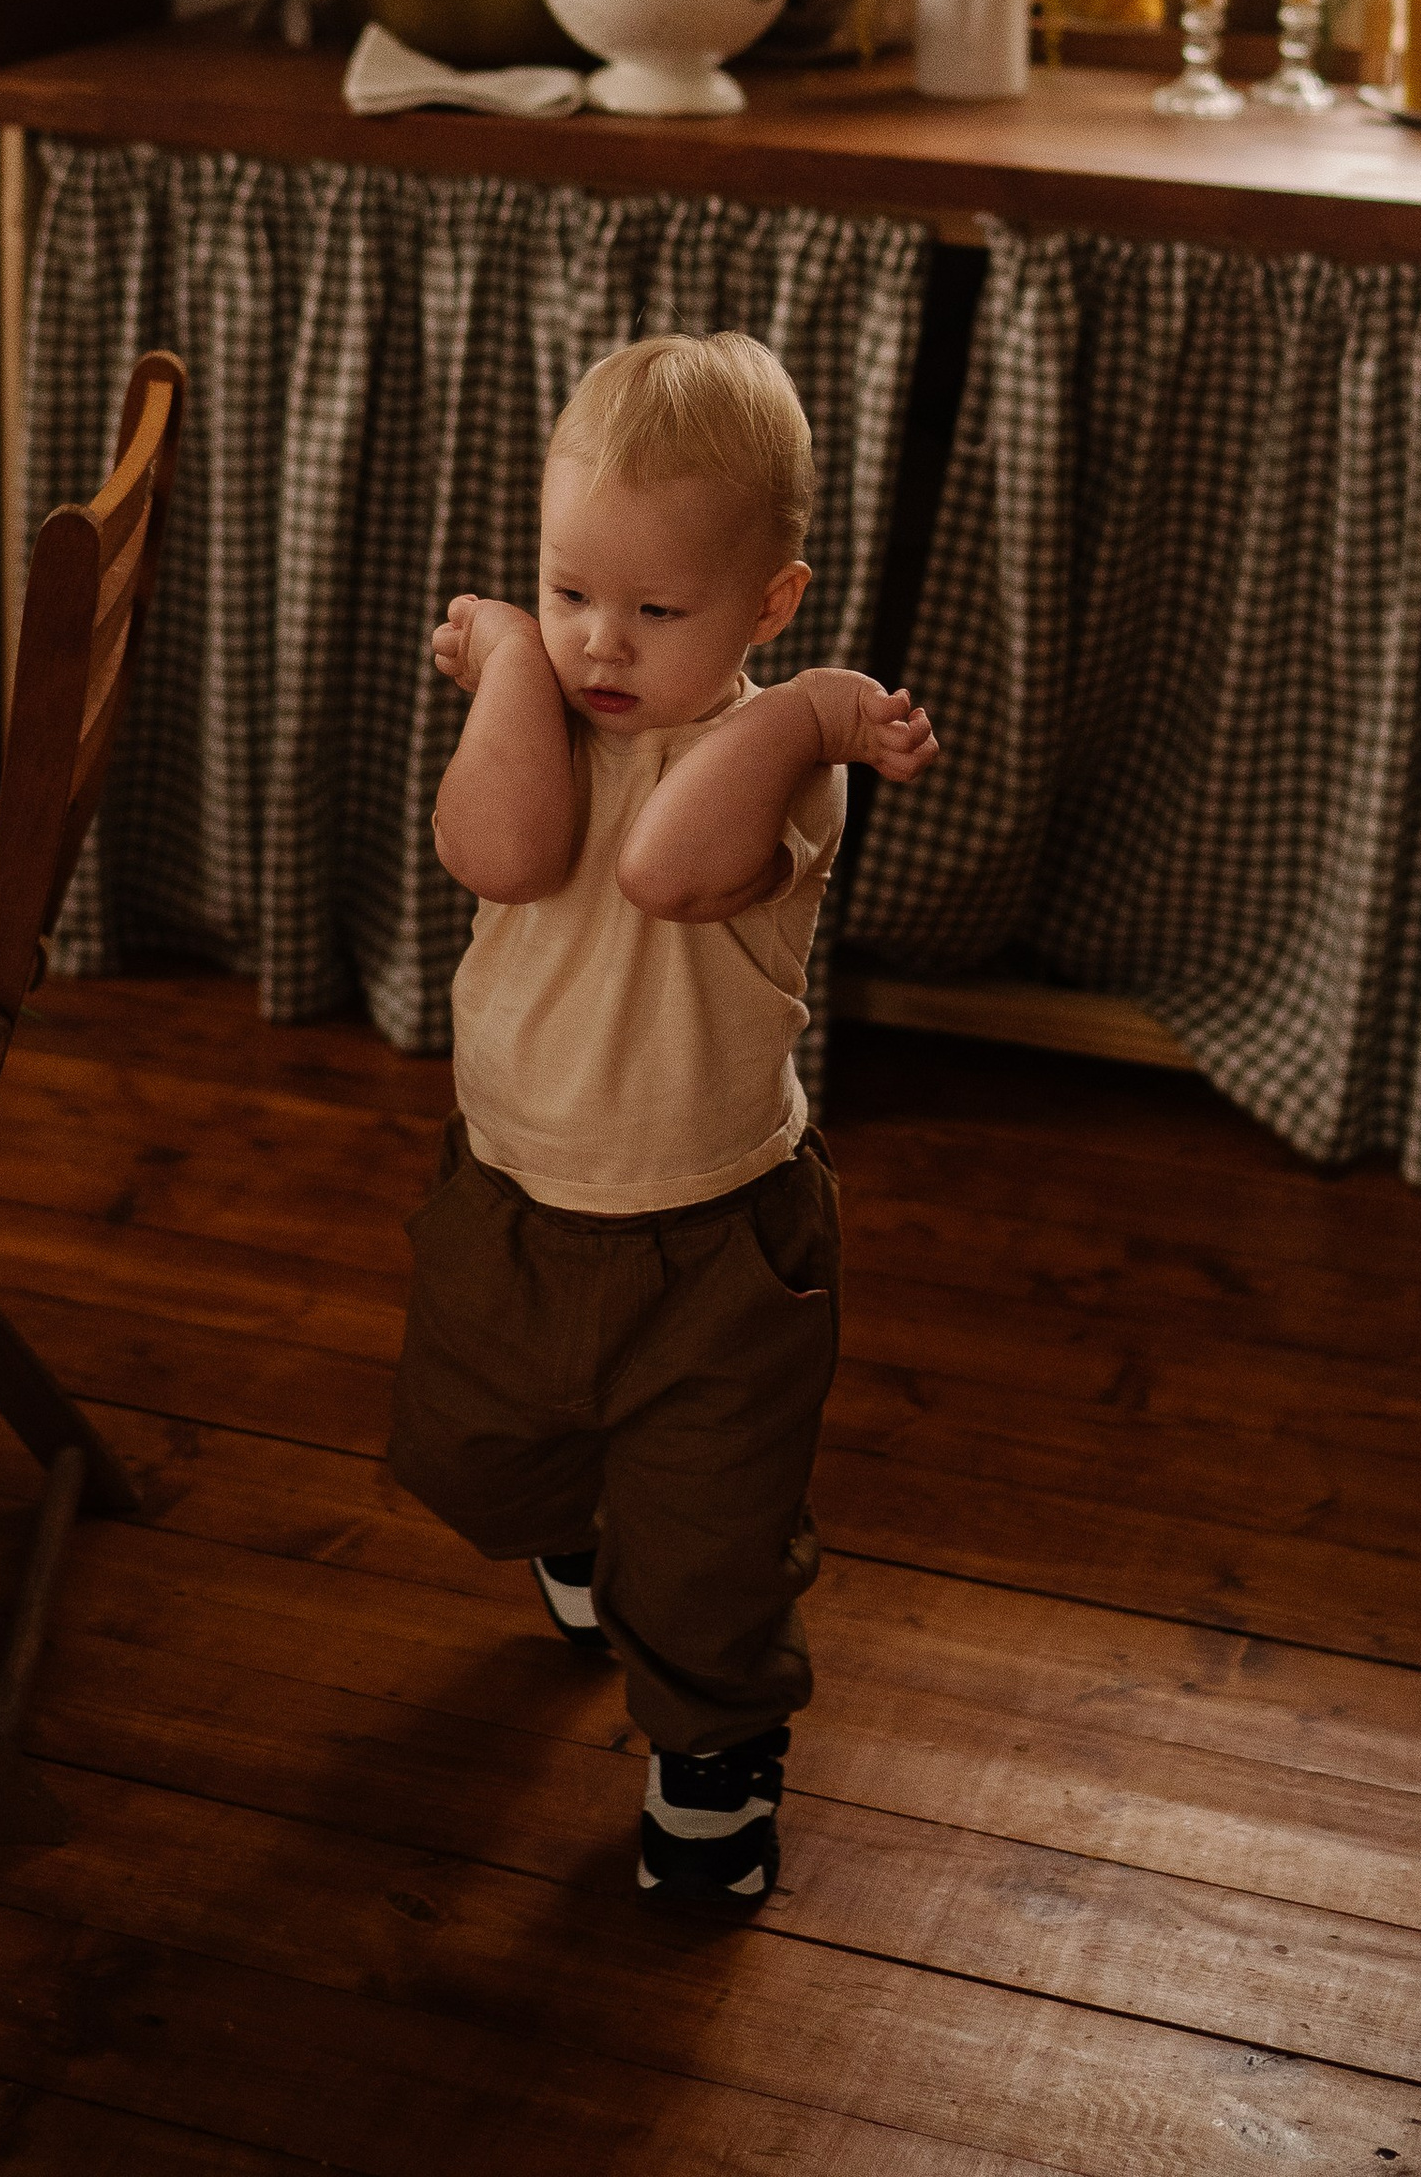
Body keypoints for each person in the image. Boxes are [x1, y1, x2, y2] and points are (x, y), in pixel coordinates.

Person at [387, 330, 939, 1907]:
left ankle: (715, 1752)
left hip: (719, 1238)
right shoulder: (541, 712)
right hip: (510, 1201)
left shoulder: (782, 768)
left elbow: (664, 871)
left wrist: (810, 711)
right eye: (566, 591)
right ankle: (570, 1522)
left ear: (769, 603)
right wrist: (513, 668)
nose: (600, 642)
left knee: (711, 1543)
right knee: (470, 1457)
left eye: (657, 610)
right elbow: (502, 852)